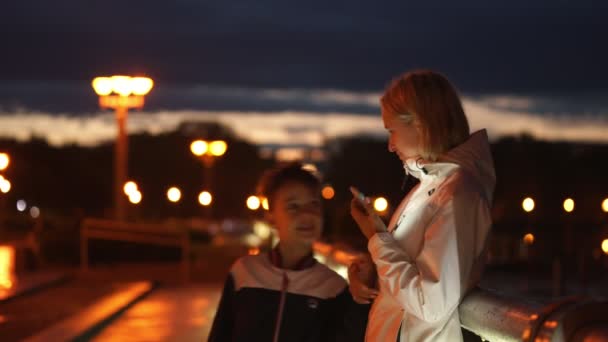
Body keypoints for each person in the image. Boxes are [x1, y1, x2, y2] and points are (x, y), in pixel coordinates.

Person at [349, 70, 495, 341]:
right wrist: (372, 273)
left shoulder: (457, 194)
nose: (390, 145)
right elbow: (408, 276)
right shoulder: (430, 188)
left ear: (420, 124)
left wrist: (376, 238)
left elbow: (430, 303)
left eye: (392, 130)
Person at [209, 162, 369, 342]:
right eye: (293, 206)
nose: (306, 214)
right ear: (270, 217)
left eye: (314, 204)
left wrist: (361, 298)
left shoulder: (334, 287)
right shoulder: (244, 273)